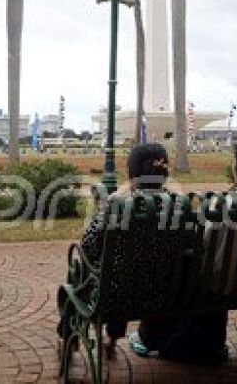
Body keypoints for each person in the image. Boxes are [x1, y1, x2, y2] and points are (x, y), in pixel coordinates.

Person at [60, 143, 172, 357]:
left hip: (116, 296)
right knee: (127, 272)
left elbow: (89, 246)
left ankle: (69, 337)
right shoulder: (177, 206)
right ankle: (111, 337)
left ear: (131, 173)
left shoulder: (118, 206)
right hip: (164, 293)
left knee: (81, 270)